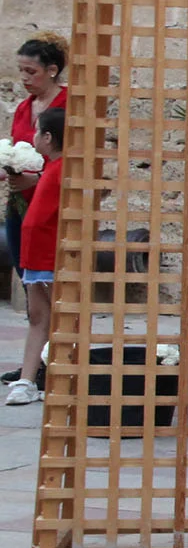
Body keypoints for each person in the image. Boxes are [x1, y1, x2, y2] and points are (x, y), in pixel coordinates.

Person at [7, 32, 66, 336]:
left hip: (54, 205)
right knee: (29, 280)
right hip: (20, 202)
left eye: (32, 71)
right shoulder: (23, 108)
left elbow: (73, 158)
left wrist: (38, 178)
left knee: (55, 287)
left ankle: (53, 355)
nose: (25, 78)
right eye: (22, 71)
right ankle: (37, 357)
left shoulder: (68, 102)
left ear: (52, 70)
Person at [8, 106, 63, 405]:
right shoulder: (50, 168)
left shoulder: (62, 169)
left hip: (50, 256)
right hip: (34, 255)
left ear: (48, 138)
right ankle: (27, 380)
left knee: (61, 316)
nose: (32, 137)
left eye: (38, 132)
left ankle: (61, 376)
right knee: (38, 316)